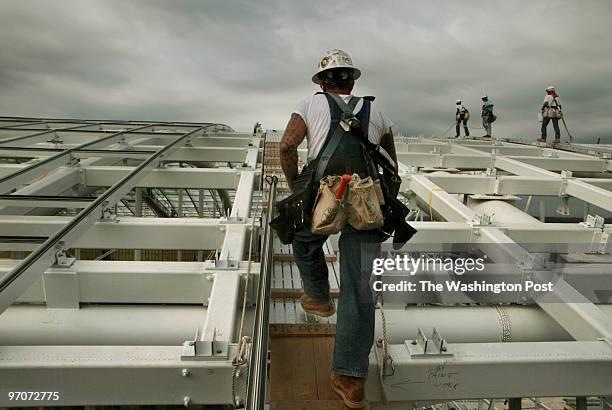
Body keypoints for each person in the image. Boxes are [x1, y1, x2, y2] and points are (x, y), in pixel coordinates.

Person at [278, 49, 396, 409]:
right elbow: (392, 166)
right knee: (360, 290)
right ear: (353, 80)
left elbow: (286, 146)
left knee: (302, 239)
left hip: (322, 195)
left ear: (322, 82)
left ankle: (317, 296)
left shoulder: (309, 104)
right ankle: (350, 380)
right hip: (365, 200)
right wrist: (382, 203)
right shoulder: (377, 111)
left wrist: (295, 185)